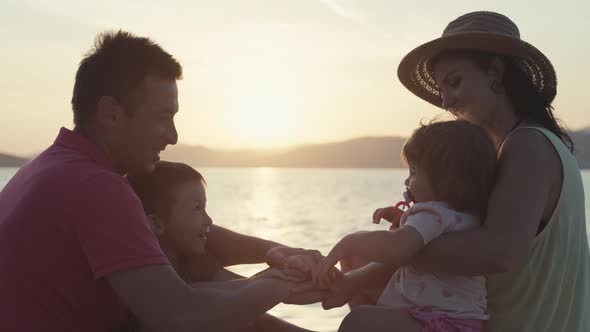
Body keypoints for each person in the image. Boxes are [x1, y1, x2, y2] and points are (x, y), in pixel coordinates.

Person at [0, 30, 327, 332]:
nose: (172, 136)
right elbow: (179, 317)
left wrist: (277, 253)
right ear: (112, 113)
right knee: (221, 310)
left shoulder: (52, 169)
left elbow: (178, 232)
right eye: (162, 117)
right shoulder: (95, 187)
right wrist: (280, 284)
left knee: (220, 295)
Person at [331, 11, 590, 332]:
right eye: (442, 89)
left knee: (363, 298)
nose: (446, 100)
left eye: (454, 82)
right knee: (360, 267)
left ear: (494, 72)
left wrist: (401, 244)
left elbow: (500, 255)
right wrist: (399, 240)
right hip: (479, 316)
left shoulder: (528, 146)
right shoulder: (514, 147)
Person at [315, 120, 497, 331]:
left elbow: (396, 248)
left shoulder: (432, 213)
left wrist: (347, 244)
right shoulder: (469, 215)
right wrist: (405, 220)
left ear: (444, 179)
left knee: (358, 321)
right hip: (463, 323)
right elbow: (432, 233)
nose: (407, 182)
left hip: (440, 324)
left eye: (413, 173)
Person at [127, 160, 320, 331]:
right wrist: (280, 281)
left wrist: (292, 271)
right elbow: (217, 298)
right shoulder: (140, 279)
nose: (209, 220)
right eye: (196, 209)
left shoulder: (194, 263)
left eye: (205, 208)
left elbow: (241, 291)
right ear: (157, 224)